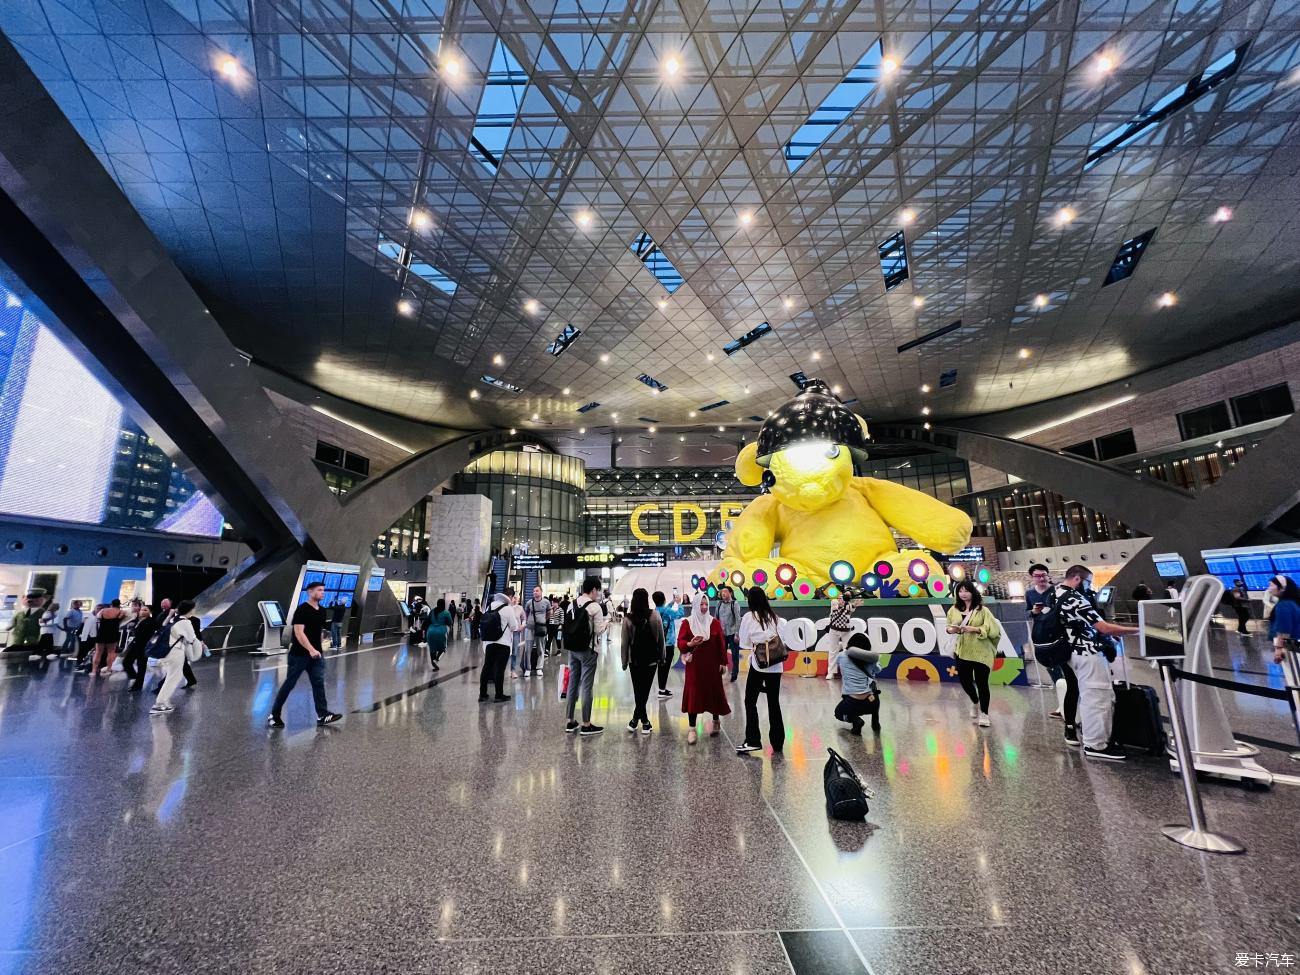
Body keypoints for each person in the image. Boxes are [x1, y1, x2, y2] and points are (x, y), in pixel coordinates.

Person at [1056, 564, 1138, 760]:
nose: (1089, 587)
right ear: (1077, 579)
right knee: (1097, 697)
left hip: (1069, 652)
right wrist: (1139, 629)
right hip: (1086, 652)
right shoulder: (1075, 598)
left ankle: (1093, 737)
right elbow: (1104, 627)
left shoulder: (1055, 593)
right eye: (1087, 582)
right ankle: (1096, 745)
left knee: (1088, 695)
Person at [266, 582, 343, 727]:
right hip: (299, 655)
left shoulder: (322, 610)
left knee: (318, 683)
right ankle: (274, 715)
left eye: (323, 590)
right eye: (319, 590)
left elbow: (319, 631)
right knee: (289, 684)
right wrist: (311, 649)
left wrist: (319, 648)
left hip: (316, 656)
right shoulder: (302, 610)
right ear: (310, 592)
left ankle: (322, 714)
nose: (322, 593)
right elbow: (298, 633)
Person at [734, 586, 789, 754]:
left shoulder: (749, 617)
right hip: (776, 666)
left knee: (750, 701)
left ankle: (753, 740)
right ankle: (778, 743)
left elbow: (743, 642)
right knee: (774, 703)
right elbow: (783, 640)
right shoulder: (775, 617)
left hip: (759, 665)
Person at [946, 580, 1003, 728]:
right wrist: (951, 630)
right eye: (960, 591)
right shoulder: (954, 609)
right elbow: (948, 626)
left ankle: (984, 714)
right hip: (963, 651)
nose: (963, 594)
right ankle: (975, 701)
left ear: (973, 592)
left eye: (966, 591)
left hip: (981, 652)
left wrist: (976, 629)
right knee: (965, 681)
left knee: (982, 683)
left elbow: (994, 630)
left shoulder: (983, 610)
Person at [676, 594, 730, 744]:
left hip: (712, 666)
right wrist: (689, 644)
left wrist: (723, 662)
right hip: (695, 666)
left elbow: (721, 644)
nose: (704, 607)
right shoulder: (687, 623)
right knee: (694, 693)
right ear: (695, 605)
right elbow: (680, 642)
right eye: (701, 604)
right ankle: (692, 729)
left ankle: (716, 721)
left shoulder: (714, 623)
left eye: (706, 604)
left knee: (714, 692)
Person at [564, 576, 610, 736]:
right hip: (588, 651)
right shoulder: (595, 607)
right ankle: (586, 723)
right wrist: (606, 624)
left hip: (572, 649)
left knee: (572, 684)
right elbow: (598, 631)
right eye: (598, 590)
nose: (598, 594)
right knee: (586, 686)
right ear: (594, 590)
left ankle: (570, 721)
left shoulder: (572, 603)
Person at [620, 587, 665, 734]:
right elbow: (661, 639)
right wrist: (662, 656)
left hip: (635, 661)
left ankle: (636, 721)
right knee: (644, 691)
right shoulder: (655, 615)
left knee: (638, 690)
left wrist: (624, 661)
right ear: (647, 600)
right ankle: (643, 722)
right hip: (651, 660)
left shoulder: (628, 618)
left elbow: (624, 643)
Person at [1025, 563, 1067, 720]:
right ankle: (1062, 703)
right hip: (1041, 635)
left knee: (1065, 667)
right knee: (1052, 668)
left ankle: (1068, 703)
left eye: (1043, 575)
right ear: (1032, 578)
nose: (1041, 578)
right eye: (1037, 576)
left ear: (1048, 575)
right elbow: (1028, 613)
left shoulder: (1056, 590)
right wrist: (1033, 612)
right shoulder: (1030, 594)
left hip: (1058, 634)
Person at [150, 600, 201, 715]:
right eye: (193, 608)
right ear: (190, 609)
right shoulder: (185, 622)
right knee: (174, 678)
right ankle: (159, 704)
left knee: (172, 677)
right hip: (175, 652)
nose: (195, 610)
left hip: (168, 652)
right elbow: (191, 639)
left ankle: (163, 701)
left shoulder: (174, 619)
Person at [833, 633, 882, 734]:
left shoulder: (841, 656)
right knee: (874, 691)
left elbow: (838, 665)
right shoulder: (871, 659)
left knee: (838, 713)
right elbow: (878, 670)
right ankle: (875, 722)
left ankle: (856, 720)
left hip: (853, 702)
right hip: (871, 702)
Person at [478, 590, 518, 703]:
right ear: (509, 597)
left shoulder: (490, 606)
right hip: (503, 643)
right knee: (500, 669)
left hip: (489, 642)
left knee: (486, 667)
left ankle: (482, 694)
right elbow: (514, 626)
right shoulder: (508, 609)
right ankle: (499, 695)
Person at [653, 591, 682, 698]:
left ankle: (662, 688)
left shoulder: (656, 611)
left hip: (659, 644)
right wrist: (679, 604)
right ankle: (661, 690)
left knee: (661, 667)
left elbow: (666, 610)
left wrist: (672, 603)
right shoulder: (667, 611)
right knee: (665, 667)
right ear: (664, 599)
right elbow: (680, 614)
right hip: (668, 644)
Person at [122, 605, 158, 691]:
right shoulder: (138, 620)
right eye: (142, 610)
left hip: (143, 646)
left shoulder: (151, 621)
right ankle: (134, 677)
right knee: (126, 662)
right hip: (135, 644)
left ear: (150, 612)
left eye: (145, 610)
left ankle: (138, 684)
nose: (142, 611)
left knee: (141, 665)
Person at [4, 590, 46, 660]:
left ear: (41, 600)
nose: (30, 601)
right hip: (18, 638)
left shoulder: (41, 612)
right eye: (28, 599)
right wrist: (9, 627)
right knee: (12, 652)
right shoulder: (20, 613)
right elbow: (13, 622)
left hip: (32, 639)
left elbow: (44, 623)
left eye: (35, 599)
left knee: (29, 653)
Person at [1267, 575, 1300, 665]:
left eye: (1271, 585)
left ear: (1282, 588)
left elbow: (1284, 630)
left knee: (1293, 675)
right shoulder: (1293, 602)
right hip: (1295, 644)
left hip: (1290, 648)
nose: (1269, 589)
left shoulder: (1283, 605)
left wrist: (1279, 648)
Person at [824, 592, 858, 679]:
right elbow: (836, 606)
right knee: (832, 651)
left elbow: (854, 607)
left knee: (847, 650)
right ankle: (831, 672)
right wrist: (842, 602)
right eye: (839, 598)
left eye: (843, 598)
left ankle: (848, 672)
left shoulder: (849, 605)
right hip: (834, 629)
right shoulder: (834, 602)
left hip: (846, 630)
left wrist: (852, 601)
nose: (840, 600)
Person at [715, 585, 742, 683]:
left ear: (730, 593)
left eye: (725, 592)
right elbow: (716, 618)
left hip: (732, 633)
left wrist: (737, 634)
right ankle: (720, 672)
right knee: (721, 654)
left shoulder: (734, 604)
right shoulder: (719, 604)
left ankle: (734, 674)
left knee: (735, 654)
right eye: (722, 592)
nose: (723, 594)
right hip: (722, 633)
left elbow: (738, 619)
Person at [92, 599, 126, 677]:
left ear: (111, 604)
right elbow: (124, 619)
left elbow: (98, 617)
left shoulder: (103, 610)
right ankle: (108, 670)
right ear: (119, 604)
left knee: (98, 652)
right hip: (113, 633)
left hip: (102, 632)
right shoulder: (120, 612)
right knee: (111, 652)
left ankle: (93, 671)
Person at [523, 586, 549, 677]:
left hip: (541, 628)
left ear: (541, 592)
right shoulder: (529, 602)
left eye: (537, 591)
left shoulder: (546, 602)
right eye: (533, 591)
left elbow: (549, 613)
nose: (535, 592)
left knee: (540, 649)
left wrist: (542, 620)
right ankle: (528, 668)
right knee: (527, 649)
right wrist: (529, 621)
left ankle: (539, 668)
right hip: (529, 628)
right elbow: (526, 613)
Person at [425, 598, 452, 669]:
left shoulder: (432, 611)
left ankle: (433, 663)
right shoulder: (446, 612)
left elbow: (428, 620)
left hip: (430, 631)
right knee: (443, 649)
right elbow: (450, 622)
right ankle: (436, 660)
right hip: (441, 632)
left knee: (432, 648)